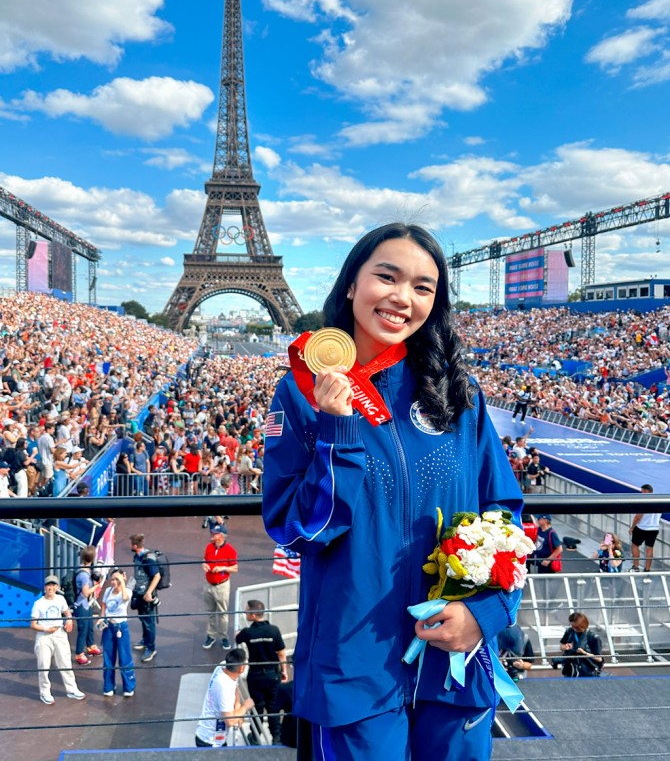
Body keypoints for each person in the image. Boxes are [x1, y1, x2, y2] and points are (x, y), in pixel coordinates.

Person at [263, 223, 523, 760]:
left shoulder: (456, 391)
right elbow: (296, 529)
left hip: (456, 652)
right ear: (351, 284)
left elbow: (505, 511)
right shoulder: (299, 390)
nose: (402, 298)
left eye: (423, 287)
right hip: (354, 658)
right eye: (387, 276)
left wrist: (488, 613)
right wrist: (338, 431)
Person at [235, 599, 288, 745]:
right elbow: (281, 653)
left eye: (246, 611)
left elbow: (237, 638)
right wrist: (284, 671)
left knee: (257, 707)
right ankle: (276, 738)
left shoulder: (248, 632)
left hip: (256, 676)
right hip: (272, 675)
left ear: (253, 615)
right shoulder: (274, 630)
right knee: (273, 707)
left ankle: (255, 737)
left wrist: (238, 632)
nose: (245, 614)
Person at [30, 574, 86, 705]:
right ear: (44, 587)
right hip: (44, 637)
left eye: (53, 585)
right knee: (43, 665)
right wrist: (45, 629)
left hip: (60, 634)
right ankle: (45, 692)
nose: (50, 588)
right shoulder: (38, 604)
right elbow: (33, 624)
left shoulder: (60, 599)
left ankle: (72, 690)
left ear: (57, 587)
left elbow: (67, 613)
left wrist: (69, 620)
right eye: (48, 585)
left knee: (65, 662)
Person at [194, 648, 255, 748]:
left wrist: (238, 708)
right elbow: (230, 721)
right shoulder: (224, 687)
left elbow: (235, 686)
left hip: (217, 739)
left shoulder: (224, 666)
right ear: (242, 669)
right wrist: (245, 707)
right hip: (210, 741)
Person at [98, 568, 136, 697]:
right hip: (109, 626)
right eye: (112, 579)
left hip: (121, 627)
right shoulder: (108, 591)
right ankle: (108, 686)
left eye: (116, 579)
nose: (114, 582)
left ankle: (129, 686)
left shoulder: (127, 591)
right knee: (108, 657)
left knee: (125, 657)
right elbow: (103, 604)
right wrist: (101, 617)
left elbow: (125, 598)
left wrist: (122, 582)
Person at [202, 525, 238, 650]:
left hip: (222, 585)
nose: (212, 535)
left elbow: (235, 568)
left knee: (223, 613)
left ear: (221, 536)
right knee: (210, 612)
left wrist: (223, 568)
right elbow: (205, 559)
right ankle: (211, 636)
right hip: (208, 584)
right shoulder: (209, 547)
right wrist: (204, 565)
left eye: (215, 533)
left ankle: (223, 637)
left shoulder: (230, 550)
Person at [129, 533, 160, 662]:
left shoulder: (149, 559)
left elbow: (157, 576)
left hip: (147, 596)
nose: (130, 546)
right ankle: (145, 640)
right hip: (139, 594)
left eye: (131, 544)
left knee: (149, 623)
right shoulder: (137, 557)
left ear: (135, 546)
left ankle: (151, 648)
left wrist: (149, 592)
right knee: (143, 619)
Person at [73, 545, 103, 665]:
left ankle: (91, 646)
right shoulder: (84, 575)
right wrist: (96, 586)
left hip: (88, 604)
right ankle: (79, 653)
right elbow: (85, 592)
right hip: (82, 605)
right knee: (83, 629)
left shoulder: (85, 570)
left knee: (89, 626)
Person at [556, 612, 603, 677]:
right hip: (571, 669)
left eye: (576, 627)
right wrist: (565, 647)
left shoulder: (593, 637)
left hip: (587, 670)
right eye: (572, 626)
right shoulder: (569, 631)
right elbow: (561, 646)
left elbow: (599, 658)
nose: (574, 629)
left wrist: (584, 653)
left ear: (583, 625)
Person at [630, 484, 662, 572]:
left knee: (635, 545)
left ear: (645, 491)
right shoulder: (659, 500)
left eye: (642, 491)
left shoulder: (644, 500)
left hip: (641, 527)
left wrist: (632, 527)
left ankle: (636, 567)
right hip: (654, 528)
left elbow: (638, 516)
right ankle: (647, 569)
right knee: (649, 548)